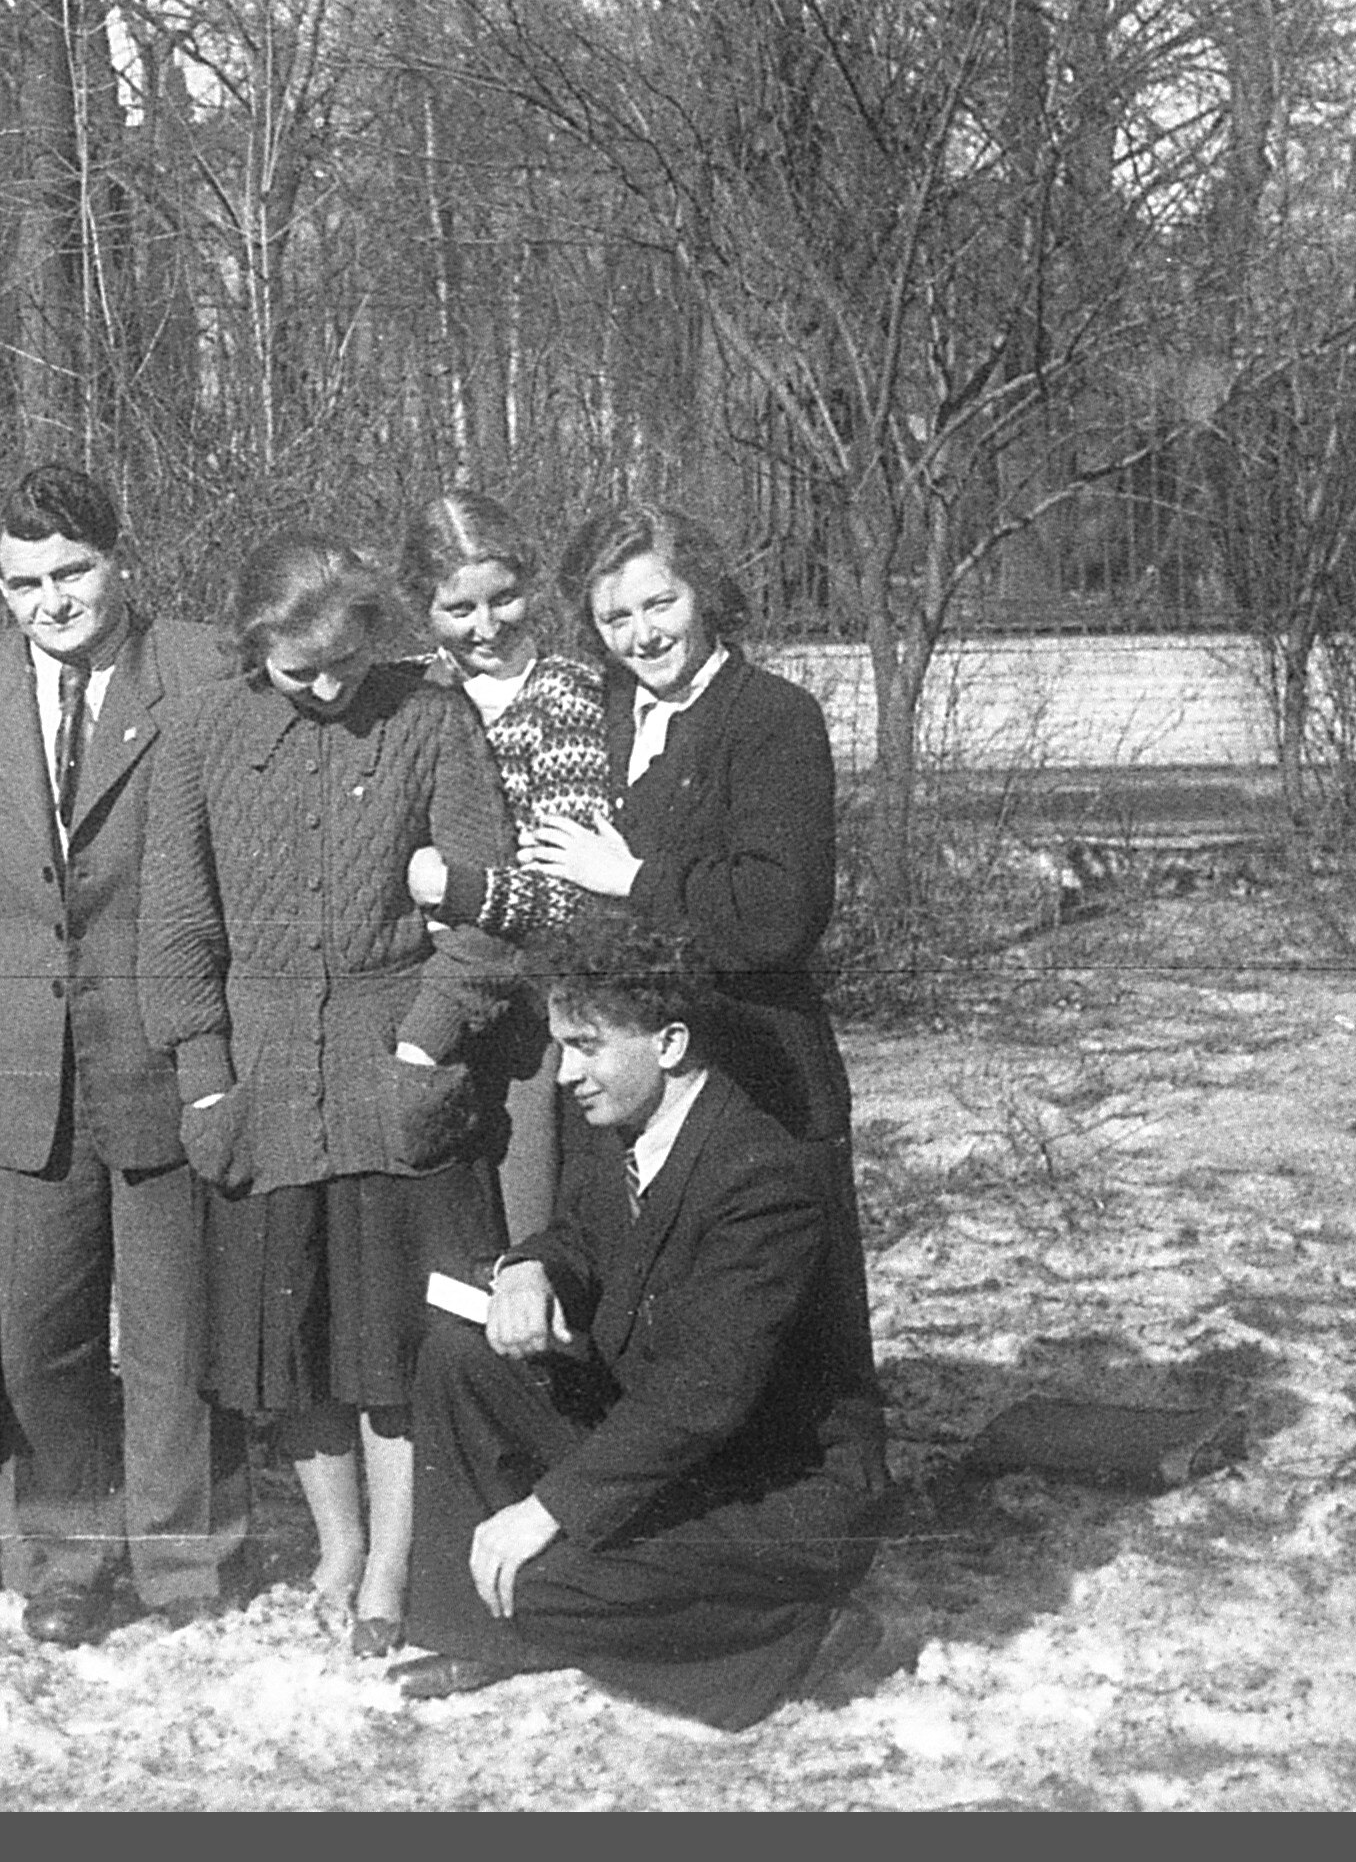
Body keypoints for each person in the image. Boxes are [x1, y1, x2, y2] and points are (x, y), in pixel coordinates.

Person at [138, 531, 519, 1660]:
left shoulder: (431, 719)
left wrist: (423, 1046)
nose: (326, 688)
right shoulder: (201, 731)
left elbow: (487, 911)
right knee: (292, 1344)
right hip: (260, 1084)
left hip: (389, 1073)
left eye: (346, 662)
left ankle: (394, 1562)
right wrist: (205, 1079)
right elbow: (177, 923)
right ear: (255, 648)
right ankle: (339, 1544)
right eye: (298, 670)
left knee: (391, 1349)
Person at [394, 942, 889, 1729]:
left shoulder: (764, 1177)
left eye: (587, 1047)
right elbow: (577, 1238)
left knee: (543, 1580)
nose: (565, 1074)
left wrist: (549, 1509)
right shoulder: (627, 1131)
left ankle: (796, 1637)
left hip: (776, 1491)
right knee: (460, 1354)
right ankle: (489, 1634)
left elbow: (703, 1394)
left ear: (670, 1044)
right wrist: (527, 1271)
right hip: (683, 1456)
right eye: (561, 1047)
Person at [0, 463, 246, 1646]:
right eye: (24, 584)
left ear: (122, 558)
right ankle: (64, 1559)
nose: (52, 602)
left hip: (163, 1046)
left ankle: (180, 1565)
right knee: (42, 1340)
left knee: (172, 1337)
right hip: (16, 1060)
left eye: (74, 572)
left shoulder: (205, 668)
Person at [520, 502, 885, 1478]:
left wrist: (630, 876)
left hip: (754, 1073)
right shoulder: (599, 718)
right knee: (649, 1331)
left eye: (660, 604)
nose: (641, 635)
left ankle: (806, 1533)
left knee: (778, 1355)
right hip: (634, 1076)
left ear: (707, 595)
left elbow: (778, 912)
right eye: (614, 617)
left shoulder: (770, 718)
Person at [398, 486, 617, 1240]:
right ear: (422, 607)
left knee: (526, 1218)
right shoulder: (407, 693)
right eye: (459, 609)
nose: (486, 627)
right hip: (419, 992)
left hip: (527, 1008)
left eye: (505, 599)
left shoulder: (563, 698)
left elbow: (569, 896)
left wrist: (456, 890)